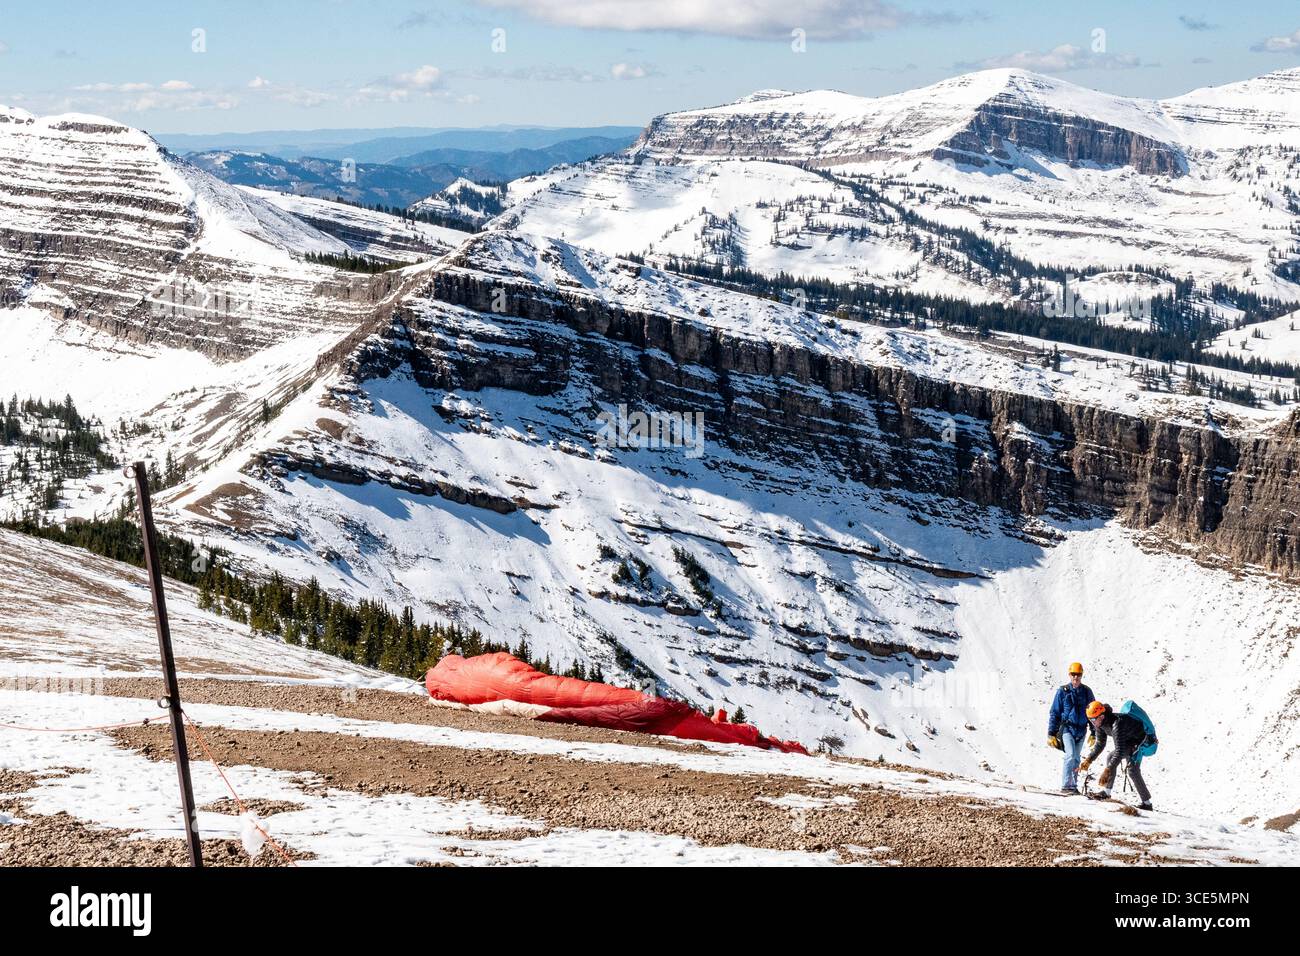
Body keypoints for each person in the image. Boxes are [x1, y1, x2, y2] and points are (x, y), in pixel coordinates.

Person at [1079, 700, 1153, 811]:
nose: (1092, 722)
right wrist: (1089, 760)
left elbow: (1119, 751)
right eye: (1090, 720)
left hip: (1139, 742)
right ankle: (1107, 793)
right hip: (1128, 741)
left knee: (1132, 771)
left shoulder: (1116, 724)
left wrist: (1107, 770)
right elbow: (1100, 744)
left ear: (1102, 716)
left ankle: (1147, 804)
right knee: (1114, 760)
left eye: (1093, 719)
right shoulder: (1100, 725)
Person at [1046, 662, 1094, 794]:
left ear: (1082, 675)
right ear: (1069, 674)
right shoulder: (1062, 691)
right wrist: (1051, 733)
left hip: (1082, 730)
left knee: (1077, 758)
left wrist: (1094, 732)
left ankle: (1073, 786)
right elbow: (1055, 712)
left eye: (1078, 674)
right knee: (1070, 755)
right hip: (1067, 729)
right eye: (1073, 674)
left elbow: (1092, 713)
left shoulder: (1087, 692)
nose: (1076, 677)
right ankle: (1066, 786)